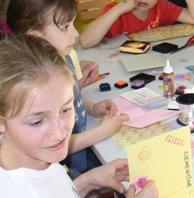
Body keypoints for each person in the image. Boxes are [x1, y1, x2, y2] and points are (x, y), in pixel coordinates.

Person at [0, 34, 158, 197]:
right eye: (37, 122)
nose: (60, 134)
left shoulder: (29, 156)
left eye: (65, 109)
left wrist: (86, 182)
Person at [2, 0, 128, 173]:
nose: (75, 34)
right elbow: (59, 141)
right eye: (65, 27)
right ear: (35, 36)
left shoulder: (65, 57)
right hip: (61, 164)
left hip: (78, 153)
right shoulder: (29, 84)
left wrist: (92, 107)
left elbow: (65, 100)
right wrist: (102, 132)